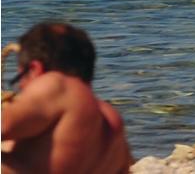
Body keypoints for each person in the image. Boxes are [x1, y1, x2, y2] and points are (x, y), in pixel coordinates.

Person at [1, 21, 133, 174]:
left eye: (19, 78)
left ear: (35, 69)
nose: (21, 87)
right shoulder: (113, 125)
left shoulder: (58, 85)